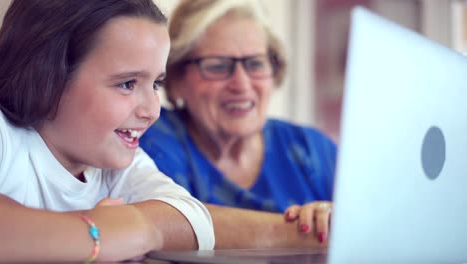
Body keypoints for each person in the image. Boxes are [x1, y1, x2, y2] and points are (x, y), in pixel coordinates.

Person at [0, 0, 214, 262]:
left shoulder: (116, 166)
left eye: (156, 83)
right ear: (47, 76)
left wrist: (135, 228)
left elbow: (195, 220)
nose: (152, 111)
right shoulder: (5, 137)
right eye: (127, 84)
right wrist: (97, 234)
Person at [140, 0, 336, 247]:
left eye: (255, 64)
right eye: (218, 66)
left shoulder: (312, 148)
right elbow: (157, 220)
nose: (242, 85)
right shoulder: (153, 138)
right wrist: (306, 233)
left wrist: (334, 218)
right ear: (176, 78)